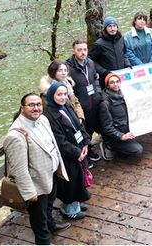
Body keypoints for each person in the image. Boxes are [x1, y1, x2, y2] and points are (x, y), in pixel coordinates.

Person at [4, 93, 69, 245]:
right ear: (22, 108)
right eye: (31, 105)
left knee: (49, 205)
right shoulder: (15, 135)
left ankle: (51, 226)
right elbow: (18, 169)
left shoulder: (43, 119)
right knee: (38, 216)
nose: (36, 108)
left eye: (39, 104)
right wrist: (29, 192)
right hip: (35, 182)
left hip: (49, 173)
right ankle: (43, 241)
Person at [43, 82, 91, 220]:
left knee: (79, 177)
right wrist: (77, 153)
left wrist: (85, 143)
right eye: (59, 95)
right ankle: (70, 210)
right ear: (52, 96)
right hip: (67, 155)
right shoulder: (49, 115)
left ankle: (77, 202)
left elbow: (78, 124)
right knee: (70, 181)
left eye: (64, 94)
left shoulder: (67, 106)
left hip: (79, 147)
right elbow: (60, 141)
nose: (63, 97)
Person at [66, 39, 102, 162]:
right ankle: (83, 155)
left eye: (85, 49)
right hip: (80, 107)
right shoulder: (68, 68)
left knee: (90, 129)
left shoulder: (90, 63)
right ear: (74, 51)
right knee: (81, 132)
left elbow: (95, 79)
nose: (83, 52)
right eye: (79, 50)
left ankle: (89, 150)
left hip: (93, 103)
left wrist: (98, 94)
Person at [98, 73, 144, 160]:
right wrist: (121, 136)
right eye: (112, 82)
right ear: (107, 85)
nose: (115, 84)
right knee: (137, 150)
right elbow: (107, 127)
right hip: (115, 136)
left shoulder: (124, 94)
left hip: (126, 129)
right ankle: (108, 146)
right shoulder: (105, 103)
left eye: (117, 81)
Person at [88, 16, 132, 87]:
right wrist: (104, 71)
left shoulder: (121, 39)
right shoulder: (99, 44)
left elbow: (124, 53)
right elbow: (90, 60)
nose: (112, 29)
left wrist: (127, 63)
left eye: (114, 26)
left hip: (121, 76)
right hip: (107, 78)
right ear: (105, 28)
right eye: (110, 26)